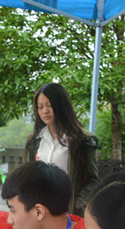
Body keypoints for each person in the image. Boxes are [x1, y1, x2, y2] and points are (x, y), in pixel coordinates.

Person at [25, 83, 99, 216]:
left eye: (49, 105)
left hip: (69, 212)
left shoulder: (82, 139)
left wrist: (77, 206)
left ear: (61, 105)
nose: (45, 111)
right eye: (40, 107)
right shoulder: (35, 142)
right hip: (42, 212)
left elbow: (92, 180)